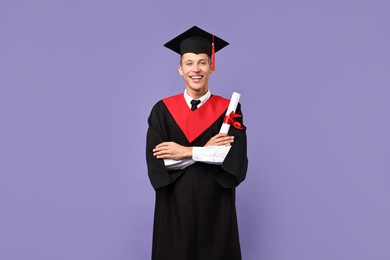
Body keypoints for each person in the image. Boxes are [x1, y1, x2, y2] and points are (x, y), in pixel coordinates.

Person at [146, 26, 248, 260]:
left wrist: (184, 151)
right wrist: (205, 153)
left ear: (211, 67)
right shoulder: (162, 111)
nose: (196, 69)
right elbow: (158, 165)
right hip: (174, 211)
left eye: (202, 62)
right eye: (189, 63)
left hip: (216, 211)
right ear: (180, 69)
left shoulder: (229, 111)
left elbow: (234, 160)